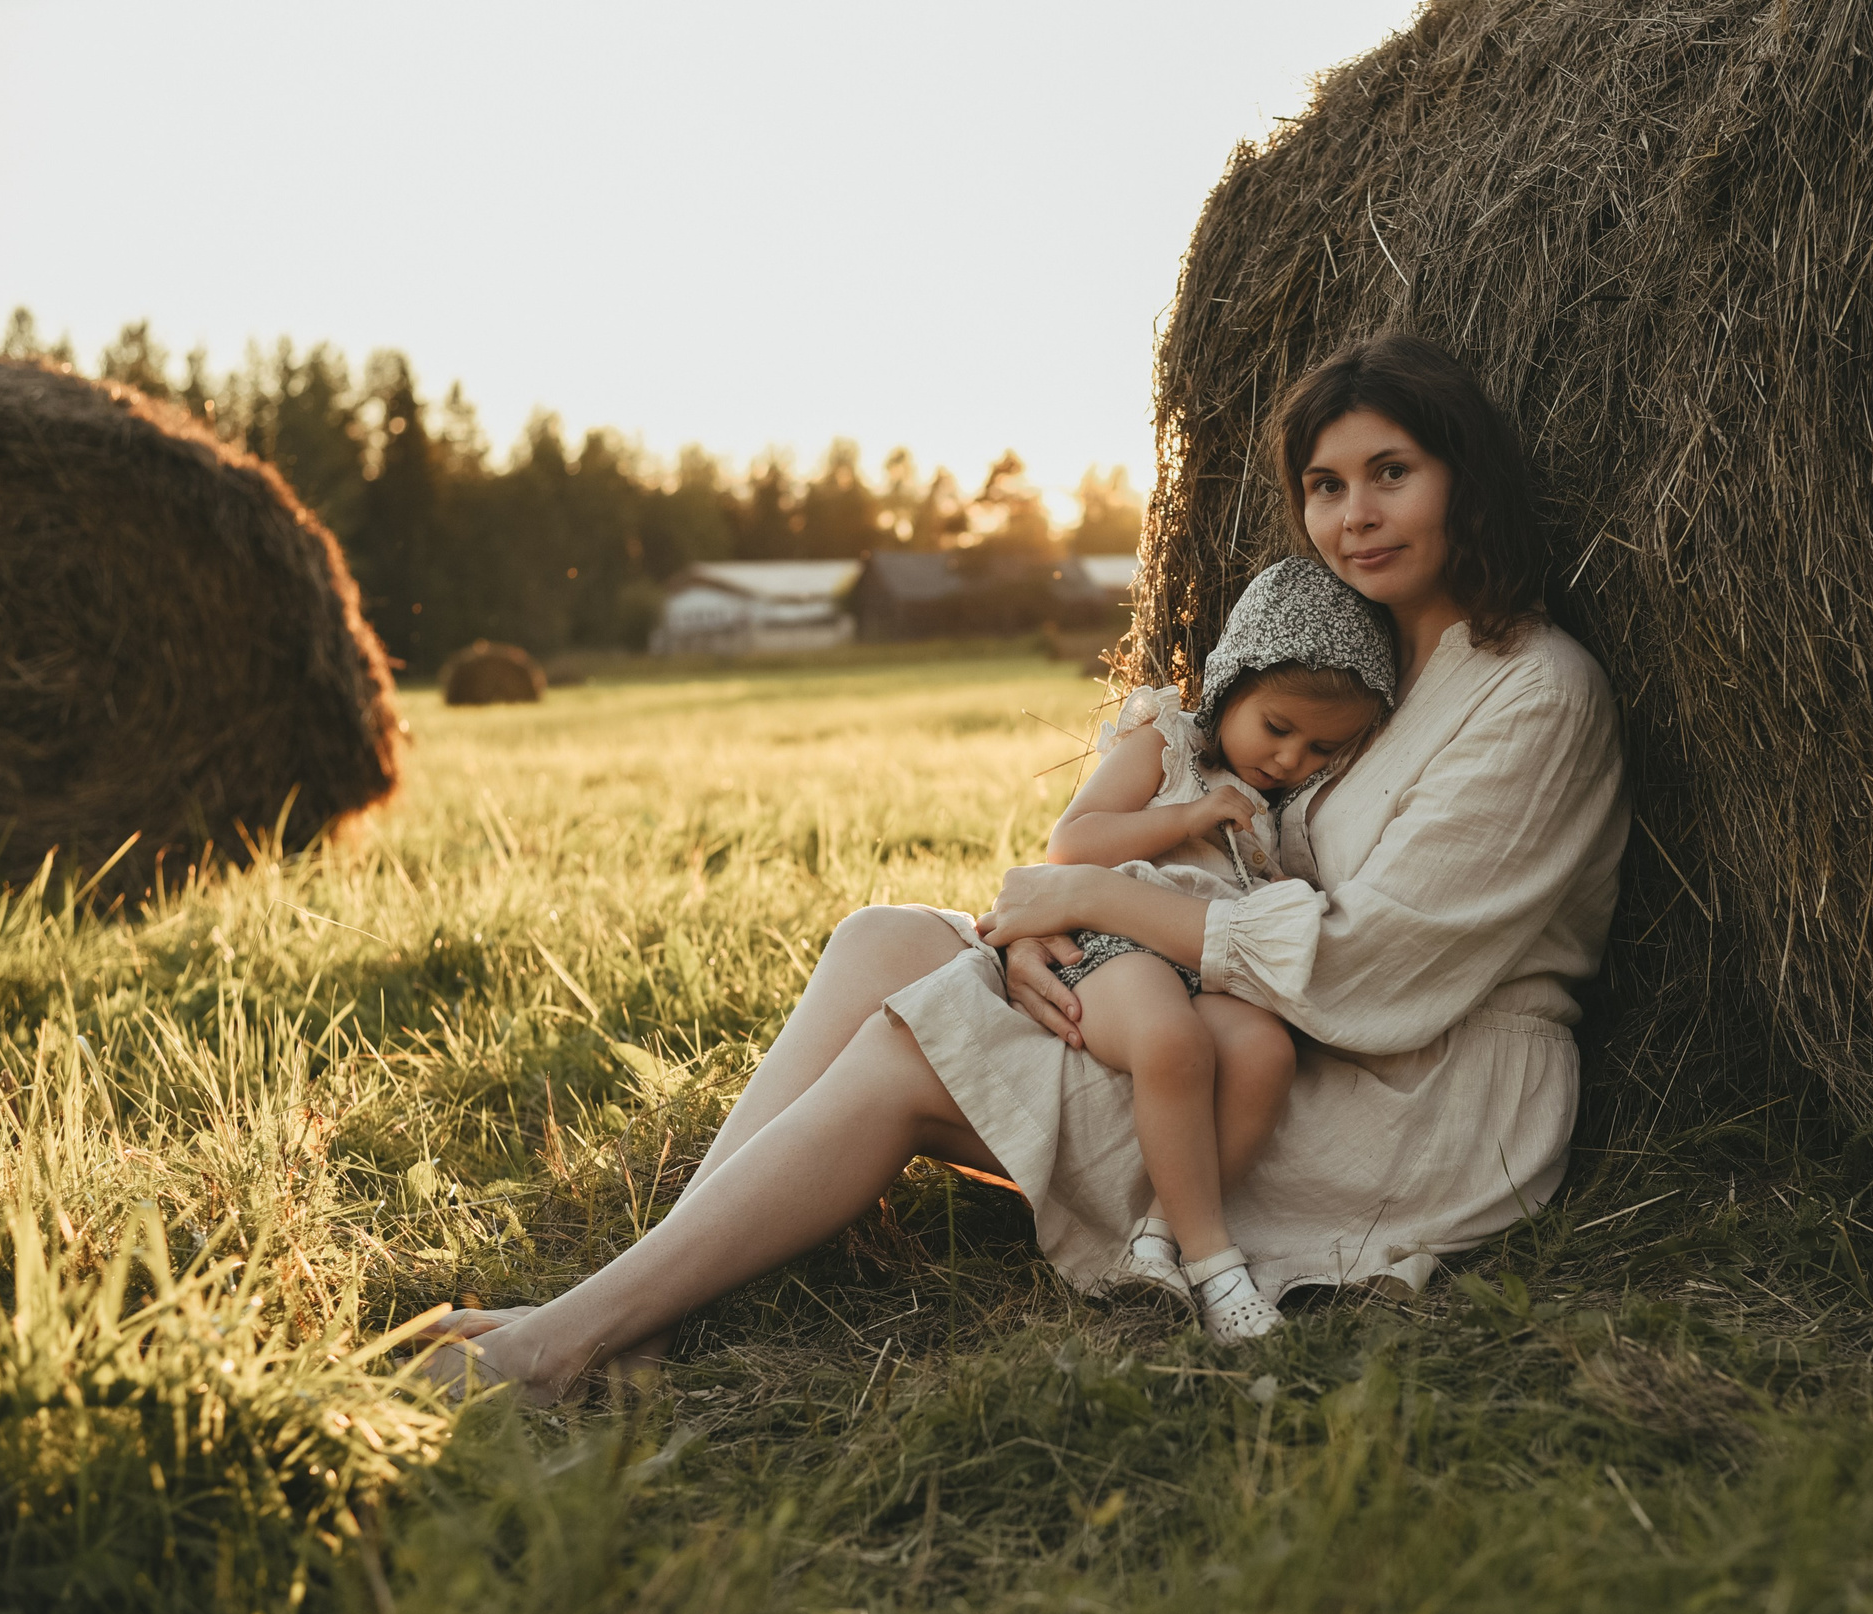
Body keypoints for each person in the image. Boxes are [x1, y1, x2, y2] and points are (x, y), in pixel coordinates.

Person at [407, 333, 1630, 1404]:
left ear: (1464, 477)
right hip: (1264, 1026)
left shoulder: (1534, 691)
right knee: (884, 939)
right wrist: (1065, 930)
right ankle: (639, 1304)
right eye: (1324, 484)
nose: (1353, 513)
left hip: (1407, 1104)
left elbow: (1372, 967)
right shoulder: (1361, 676)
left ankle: (558, 1348)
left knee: (913, 1037)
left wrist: (1087, 900)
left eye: (1390, 474)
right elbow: (1233, 873)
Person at [1044, 558, 1395, 1341]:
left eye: (1319, 750)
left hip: (1202, 964)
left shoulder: (1273, 806)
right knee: (1171, 1043)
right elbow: (1071, 844)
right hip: (1116, 946)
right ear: (1233, 680)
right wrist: (1187, 817)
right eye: (1277, 728)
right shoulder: (1164, 744)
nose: (1290, 759)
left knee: (1266, 1052)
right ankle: (1215, 1264)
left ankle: (1157, 1236)